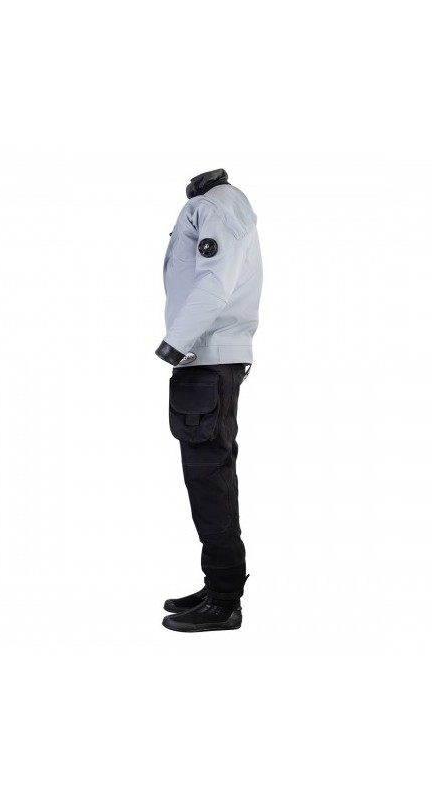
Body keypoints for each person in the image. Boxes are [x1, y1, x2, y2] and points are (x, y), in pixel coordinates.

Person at [154, 168, 263, 632]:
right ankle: (218, 583)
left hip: (204, 356)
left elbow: (216, 280)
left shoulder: (214, 205)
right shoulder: (217, 203)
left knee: (209, 479)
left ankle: (223, 600)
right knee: (209, 477)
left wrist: (174, 343)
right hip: (207, 357)